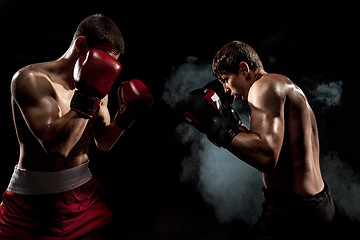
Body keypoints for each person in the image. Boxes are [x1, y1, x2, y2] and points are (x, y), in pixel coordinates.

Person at [0, 14, 153, 239]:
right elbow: (57, 148)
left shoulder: (100, 85)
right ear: (81, 44)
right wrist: (88, 97)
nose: (108, 69)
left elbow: (103, 142)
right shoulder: (31, 79)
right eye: (102, 58)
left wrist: (125, 117)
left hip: (84, 195)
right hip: (31, 204)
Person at [177, 40, 335, 239]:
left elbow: (266, 156)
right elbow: (266, 143)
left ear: (244, 68)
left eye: (226, 79)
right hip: (307, 204)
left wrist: (214, 125)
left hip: (295, 212)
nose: (225, 89)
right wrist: (231, 123)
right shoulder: (282, 85)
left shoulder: (264, 86)